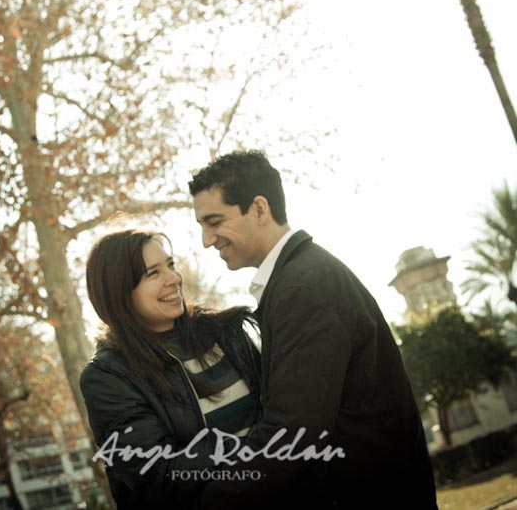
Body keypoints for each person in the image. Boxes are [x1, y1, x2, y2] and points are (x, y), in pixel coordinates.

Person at [189, 150, 439, 510]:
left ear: (259, 209)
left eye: (214, 221)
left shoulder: (302, 288)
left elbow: (291, 433)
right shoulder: (299, 278)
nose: (206, 240)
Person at [79, 228, 261, 510]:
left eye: (171, 265)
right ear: (119, 291)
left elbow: (283, 409)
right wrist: (256, 447)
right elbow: (156, 477)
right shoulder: (107, 377)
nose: (174, 279)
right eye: (153, 273)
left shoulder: (225, 332)